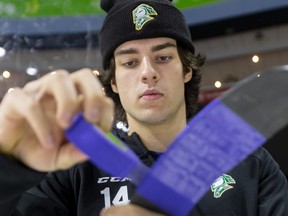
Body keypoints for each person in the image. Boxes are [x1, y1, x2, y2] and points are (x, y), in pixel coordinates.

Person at [0, 0, 287, 215]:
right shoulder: (75, 167)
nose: (148, 72)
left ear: (187, 70)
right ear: (113, 82)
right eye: (130, 62)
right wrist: (9, 164)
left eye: (163, 57)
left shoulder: (251, 163)